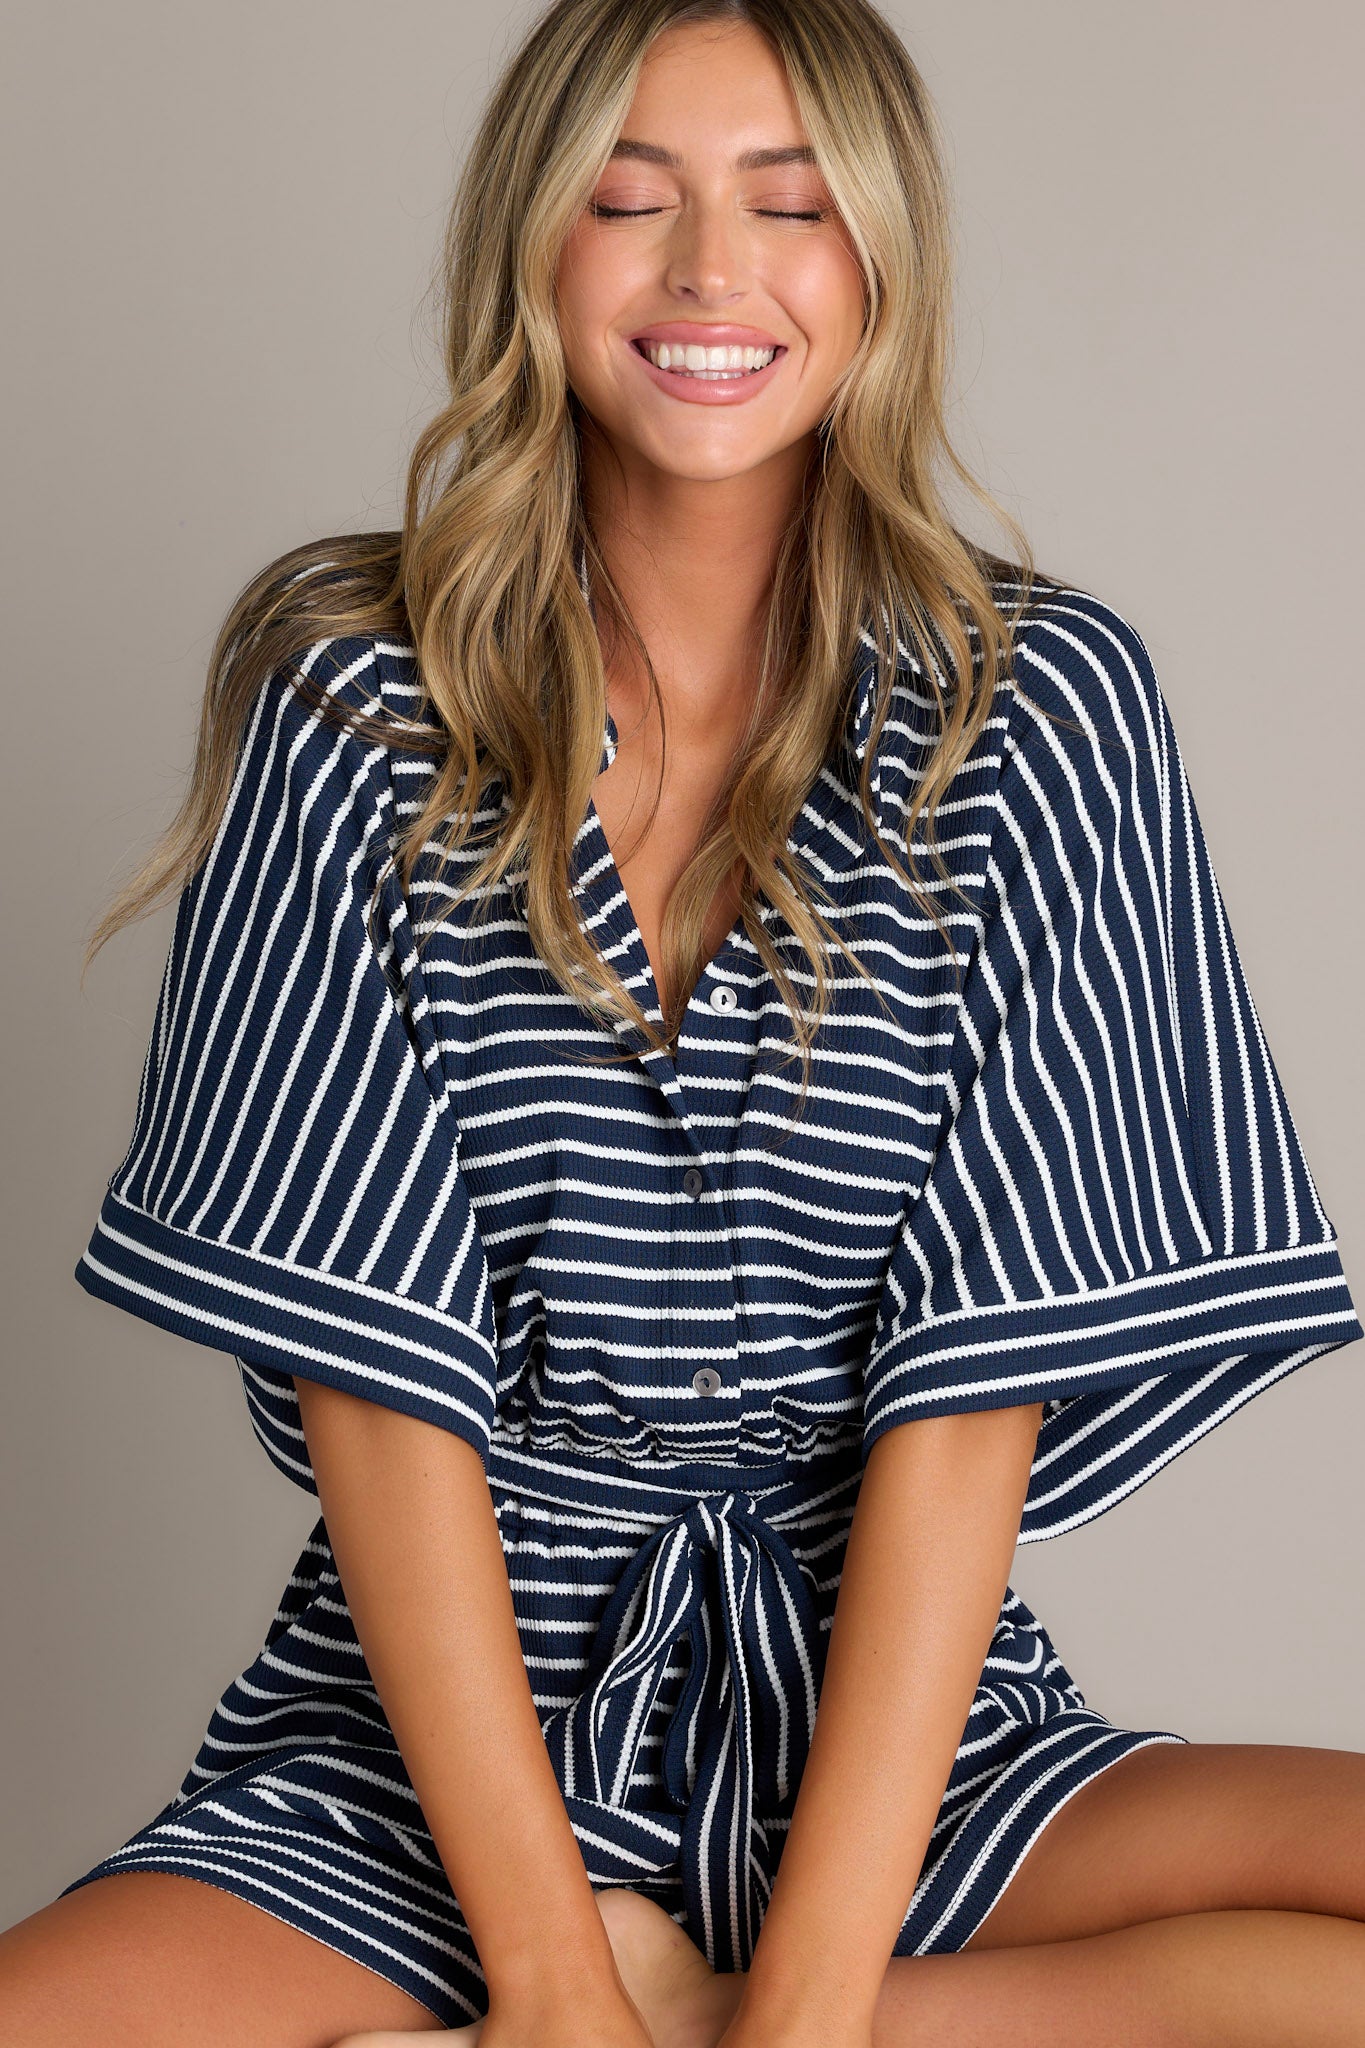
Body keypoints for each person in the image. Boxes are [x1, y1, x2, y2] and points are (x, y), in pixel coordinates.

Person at [4, 3, 1362, 2043]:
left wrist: (801, 2008)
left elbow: (960, 1407)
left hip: (902, 1748)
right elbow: (380, 1400)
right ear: (529, 251)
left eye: (789, 204)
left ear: (879, 261)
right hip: (426, 1752)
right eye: (627, 200)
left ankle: (759, 2009)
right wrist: (548, 1985)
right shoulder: (347, 696)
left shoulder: (1037, 710)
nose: (709, 272)